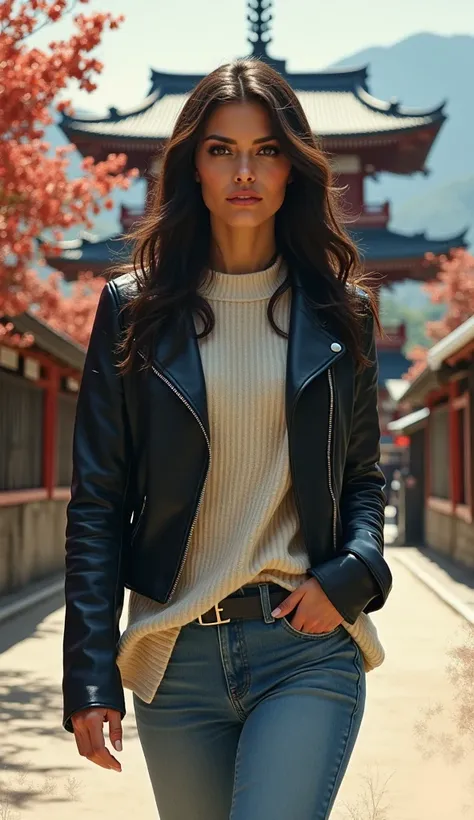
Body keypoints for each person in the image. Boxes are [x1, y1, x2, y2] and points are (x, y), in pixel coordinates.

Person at [62, 57, 393, 819]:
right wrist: (88, 673)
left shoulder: (342, 315)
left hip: (304, 646)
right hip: (174, 660)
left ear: (293, 168)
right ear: (194, 167)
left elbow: (364, 479)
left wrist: (353, 575)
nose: (245, 171)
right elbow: (98, 503)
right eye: (221, 150)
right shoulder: (133, 311)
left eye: (267, 149)